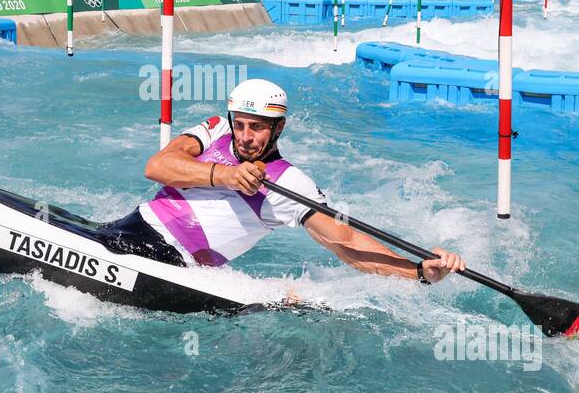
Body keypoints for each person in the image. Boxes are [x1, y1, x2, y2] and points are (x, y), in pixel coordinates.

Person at [101, 79, 466, 286]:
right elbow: (157, 165)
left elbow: (347, 243)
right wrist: (225, 176)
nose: (244, 137)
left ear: (279, 128)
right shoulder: (214, 129)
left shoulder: (291, 184)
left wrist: (419, 270)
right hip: (132, 227)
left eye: (257, 127)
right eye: (240, 124)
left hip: (174, 260)